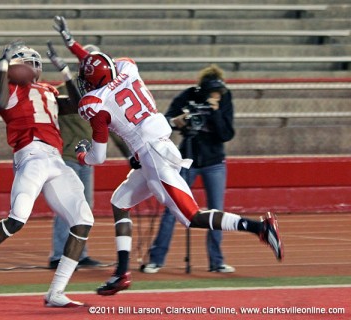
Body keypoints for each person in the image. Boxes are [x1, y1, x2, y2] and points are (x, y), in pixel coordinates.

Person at [53, 15, 284, 296]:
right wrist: (72, 44)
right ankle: (122, 273)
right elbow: (102, 62)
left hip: (153, 155)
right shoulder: (127, 67)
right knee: (120, 201)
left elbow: (97, 157)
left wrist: (80, 155)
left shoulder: (95, 103)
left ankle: (259, 227)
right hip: (155, 143)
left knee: (191, 216)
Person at [0, 40, 93, 308]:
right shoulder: (1, 83)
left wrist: (65, 72)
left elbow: (79, 106)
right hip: (31, 154)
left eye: (35, 63)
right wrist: (3, 65)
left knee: (83, 221)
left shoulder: (48, 89)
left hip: (55, 159)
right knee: (17, 219)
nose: (33, 67)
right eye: (27, 63)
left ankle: (56, 293)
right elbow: (0, 100)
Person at [142, 65, 236, 274]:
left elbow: (227, 133)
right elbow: (166, 122)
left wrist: (216, 112)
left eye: (217, 92)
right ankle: (156, 259)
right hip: (187, 158)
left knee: (216, 210)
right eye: (211, 92)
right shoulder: (189, 95)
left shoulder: (225, 98)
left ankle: (216, 261)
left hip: (214, 160)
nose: (215, 95)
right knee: (173, 207)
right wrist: (179, 121)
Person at [46, 42, 102, 269]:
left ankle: (79, 253)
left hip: (85, 157)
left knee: (83, 207)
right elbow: (76, 103)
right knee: (67, 205)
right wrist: (65, 73)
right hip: (67, 156)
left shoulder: (98, 94)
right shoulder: (62, 91)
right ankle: (59, 255)